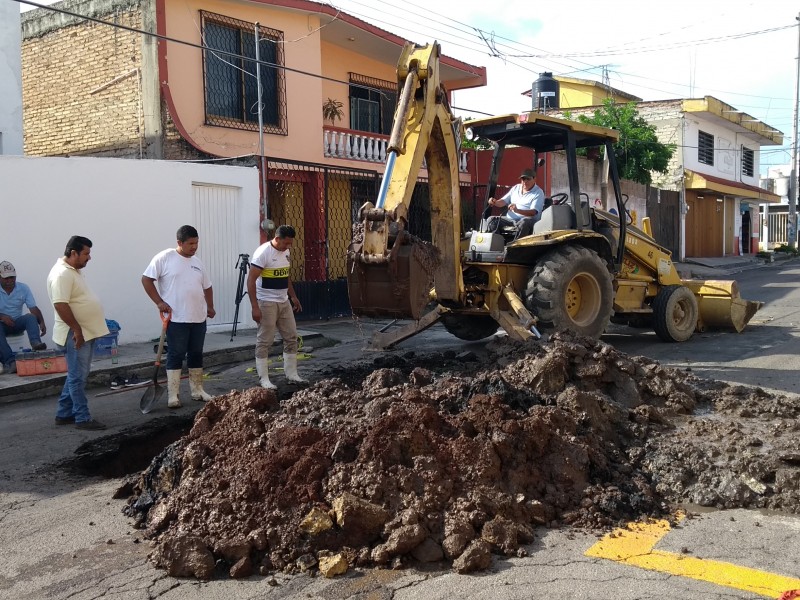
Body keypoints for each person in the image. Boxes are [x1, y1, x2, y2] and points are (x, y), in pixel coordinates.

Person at [142, 225, 216, 409]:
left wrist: (210, 306)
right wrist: (159, 302)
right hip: (176, 319)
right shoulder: (165, 257)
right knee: (176, 354)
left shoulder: (198, 262)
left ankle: (197, 390)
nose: (194, 247)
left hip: (198, 317)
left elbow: (207, 286)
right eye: (190, 243)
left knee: (196, 354)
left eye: (196, 243)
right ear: (179, 242)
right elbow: (146, 279)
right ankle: (173, 395)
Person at [47, 236, 109, 430]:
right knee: (77, 377)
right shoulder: (62, 274)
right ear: (73, 253)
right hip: (73, 334)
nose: (89, 258)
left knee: (78, 374)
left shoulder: (73, 271)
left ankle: (64, 414)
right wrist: (76, 329)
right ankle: (82, 418)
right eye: (86, 254)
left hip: (84, 332)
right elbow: (60, 304)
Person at [247, 225, 305, 389]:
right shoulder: (263, 253)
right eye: (285, 243)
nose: (288, 247)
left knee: (291, 337)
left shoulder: (285, 251)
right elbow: (251, 281)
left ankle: (292, 374)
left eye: (290, 244)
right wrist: (255, 307)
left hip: (283, 301)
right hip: (266, 303)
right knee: (265, 340)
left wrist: (293, 297)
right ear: (277, 238)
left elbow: (285, 275)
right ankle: (264, 379)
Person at [0, 261, 48, 375]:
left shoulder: (23, 288)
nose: (10, 281)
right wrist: (2, 316)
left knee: (30, 317)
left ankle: (36, 344)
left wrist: (41, 322)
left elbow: (33, 308)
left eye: (12, 277)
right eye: (6, 278)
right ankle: (10, 361)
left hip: (16, 322)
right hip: (1, 324)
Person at [487, 168, 546, 240]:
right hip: (510, 220)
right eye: (523, 179)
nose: (525, 181)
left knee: (524, 222)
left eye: (528, 179)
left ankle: (515, 246)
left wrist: (517, 210)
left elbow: (533, 212)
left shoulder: (538, 192)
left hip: (528, 221)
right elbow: (502, 202)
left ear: (534, 179)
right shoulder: (516, 188)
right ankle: (498, 243)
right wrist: (495, 202)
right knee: (491, 220)